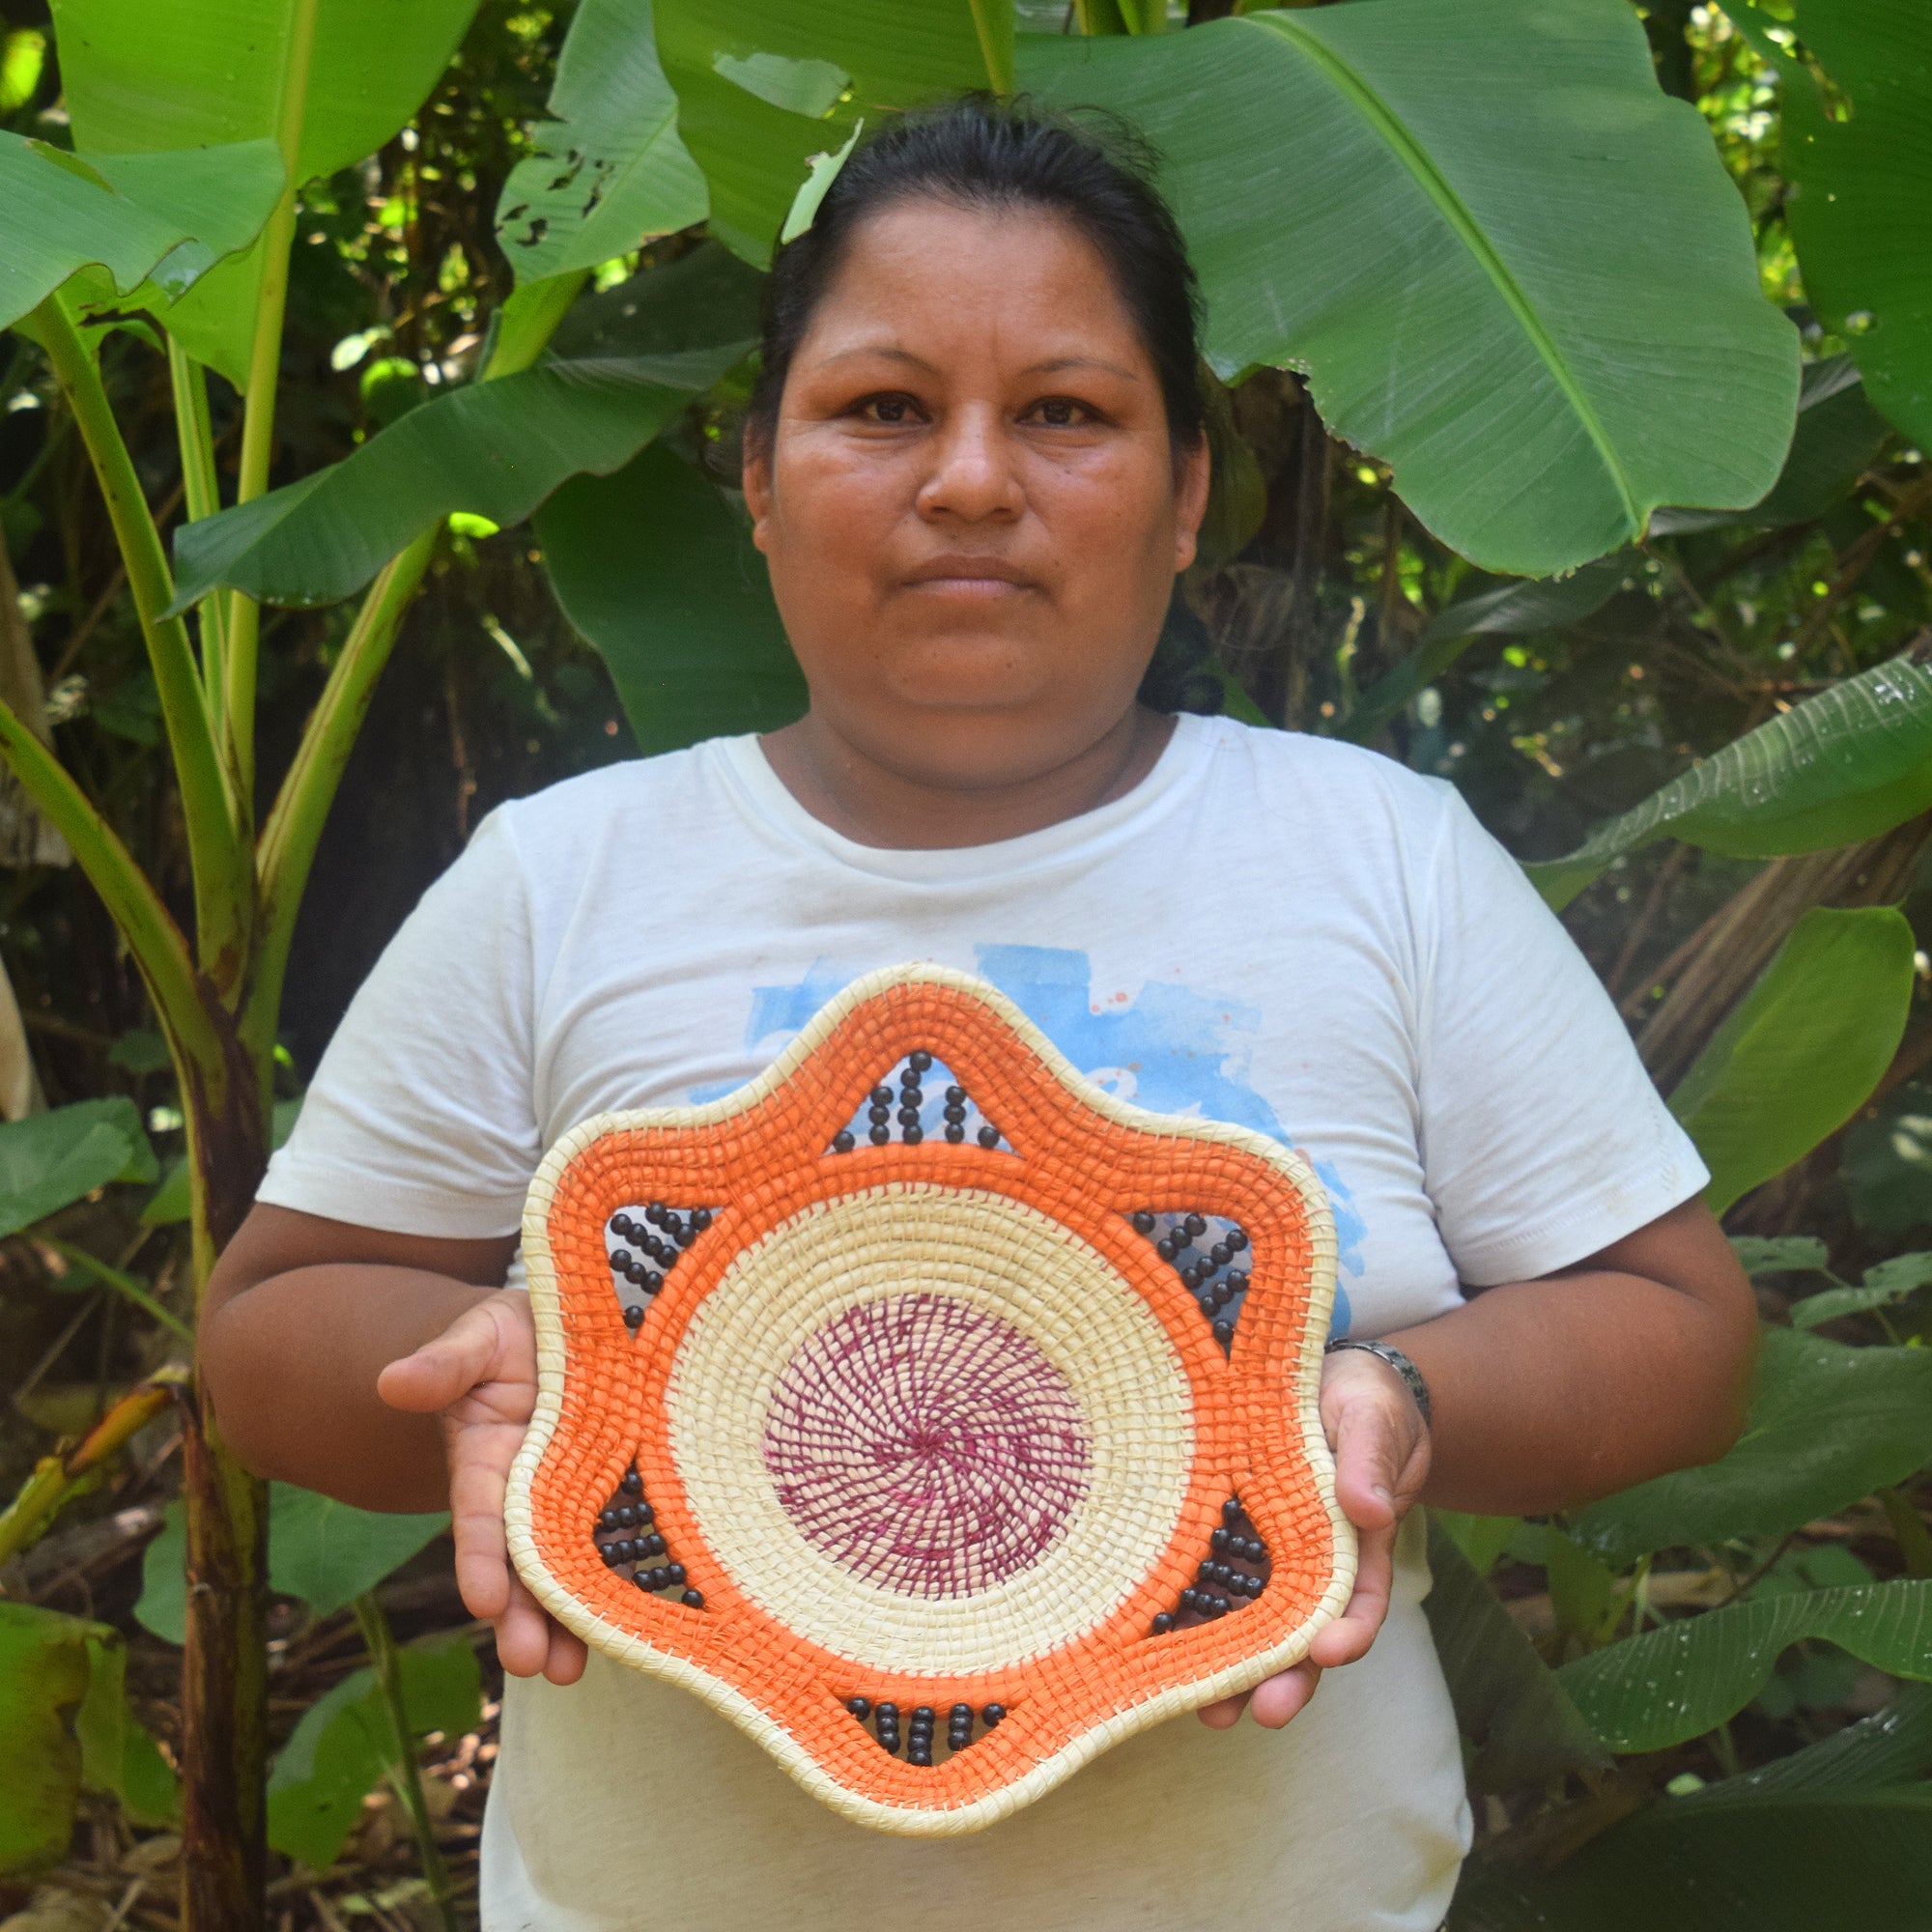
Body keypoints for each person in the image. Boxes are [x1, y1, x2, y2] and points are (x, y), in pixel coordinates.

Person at [202, 100, 1757, 1932]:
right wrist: (511, 1376)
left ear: (1185, 493)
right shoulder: (565, 882)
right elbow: (265, 1335)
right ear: (761, 482)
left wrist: (1396, 1402)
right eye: (880, 407)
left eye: (1066, 412)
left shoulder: (1376, 860)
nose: (967, 480)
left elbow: (1681, 1333)